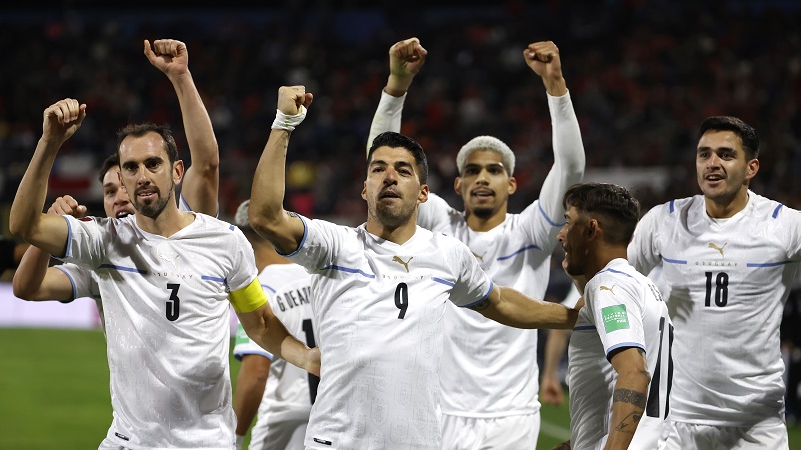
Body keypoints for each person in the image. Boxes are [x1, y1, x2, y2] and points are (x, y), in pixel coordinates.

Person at [249, 85, 579, 449]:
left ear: (423, 193)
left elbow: (500, 302)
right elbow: (265, 216)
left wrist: (573, 318)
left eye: (403, 170)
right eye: (378, 169)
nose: (389, 176)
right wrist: (284, 124)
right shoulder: (334, 246)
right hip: (337, 441)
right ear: (365, 188)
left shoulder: (447, 254)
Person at [9, 98, 319, 449]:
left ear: (176, 171)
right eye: (131, 167)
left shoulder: (224, 241)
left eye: (152, 164)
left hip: (204, 442)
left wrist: (306, 356)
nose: (142, 176)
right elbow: (24, 225)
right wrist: (49, 142)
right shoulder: (105, 241)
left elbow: (260, 323)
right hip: (129, 441)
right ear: (122, 179)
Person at [366, 38, 585, 448]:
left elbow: (571, 166)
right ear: (458, 184)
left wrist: (555, 85)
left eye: (495, 170)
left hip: (512, 414)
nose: (483, 178)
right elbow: (383, 159)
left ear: (512, 183)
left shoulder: (531, 232)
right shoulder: (439, 225)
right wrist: (396, 86)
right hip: (440, 410)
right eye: (473, 171)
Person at [12, 38, 219, 308]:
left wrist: (180, 77)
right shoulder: (102, 253)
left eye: (123, 188)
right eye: (110, 191)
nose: (119, 197)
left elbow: (205, 164)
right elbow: (27, 288)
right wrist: (44, 234)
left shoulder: (191, 231)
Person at [627, 116, 795, 449]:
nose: (712, 163)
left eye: (725, 154)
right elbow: (613, 283)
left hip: (756, 424)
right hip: (680, 422)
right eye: (704, 154)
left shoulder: (783, 226)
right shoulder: (665, 220)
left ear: (752, 168)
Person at [556, 182, 672, 450]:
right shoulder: (643, 286)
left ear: (591, 229)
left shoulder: (608, 286)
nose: (561, 235)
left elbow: (635, 373)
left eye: (568, 222)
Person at [231, 199, 316, 450]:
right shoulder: (319, 277)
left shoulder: (260, 290)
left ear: (244, 242)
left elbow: (256, 372)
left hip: (282, 424)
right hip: (327, 418)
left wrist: (235, 437)